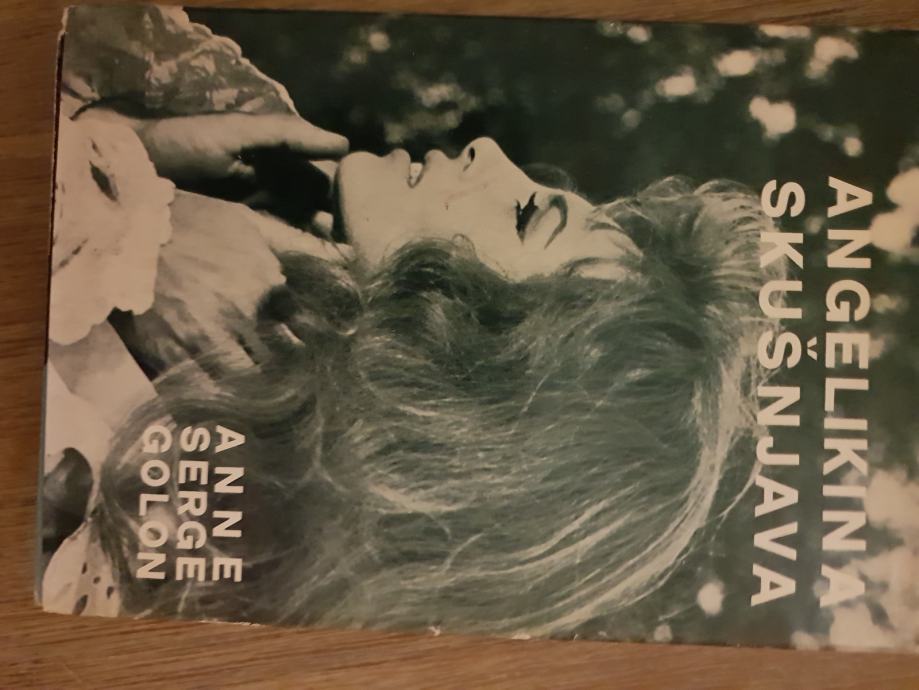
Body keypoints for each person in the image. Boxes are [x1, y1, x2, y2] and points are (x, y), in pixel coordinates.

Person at [45, 6, 777, 639]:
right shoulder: (191, 256)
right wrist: (129, 158)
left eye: (526, 216)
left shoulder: (111, 505)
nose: (490, 153)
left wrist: (125, 230)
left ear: (472, 373)